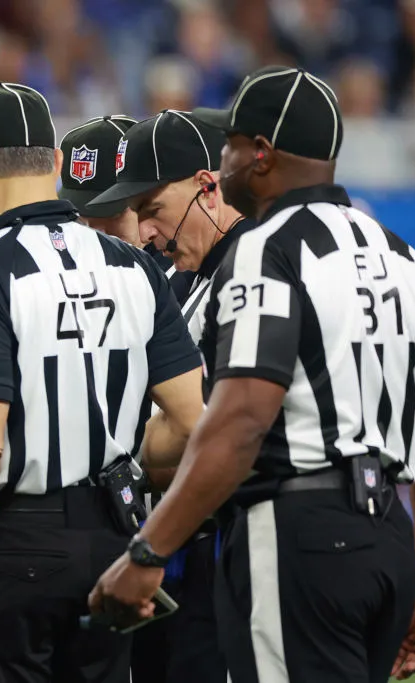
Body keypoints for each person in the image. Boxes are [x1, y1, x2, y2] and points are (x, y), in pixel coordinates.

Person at [90, 66, 415, 683]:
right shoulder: (406, 258)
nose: (224, 156)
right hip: (388, 541)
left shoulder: (267, 248)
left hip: (297, 532)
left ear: (259, 155)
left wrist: (149, 550)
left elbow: (239, 421)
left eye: (232, 144)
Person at [0, 82, 206, 683]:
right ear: (53, 162)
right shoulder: (133, 265)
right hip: (114, 535)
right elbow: (195, 419)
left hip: (19, 541)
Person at [88, 108, 250, 683]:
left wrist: (111, 461)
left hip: (225, 548)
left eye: (152, 210)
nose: (147, 232)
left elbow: (209, 429)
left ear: (207, 187)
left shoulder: (256, 274)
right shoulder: (183, 278)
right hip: (173, 551)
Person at [58, 115, 195, 302]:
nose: (95, 231)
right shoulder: (59, 274)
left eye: (111, 213)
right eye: (80, 217)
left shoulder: (183, 274)